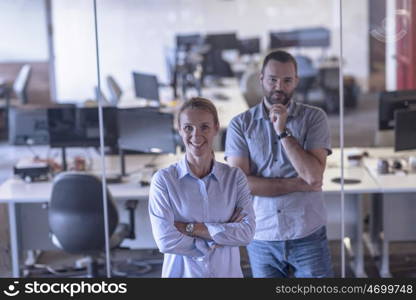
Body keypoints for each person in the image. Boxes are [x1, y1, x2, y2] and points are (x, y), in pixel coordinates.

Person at [225, 50, 333, 278]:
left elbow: (313, 177)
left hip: (306, 231)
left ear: (296, 81)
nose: (279, 87)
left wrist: (282, 132)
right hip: (262, 234)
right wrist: (298, 183)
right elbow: (240, 183)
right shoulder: (240, 124)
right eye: (273, 79)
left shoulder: (314, 118)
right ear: (261, 79)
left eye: (287, 80)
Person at [149, 97, 255, 278]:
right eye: (188, 128)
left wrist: (189, 228)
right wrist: (221, 234)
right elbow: (166, 241)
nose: (196, 136)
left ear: (216, 128)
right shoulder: (164, 180)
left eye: (204, 127)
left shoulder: (234, 178)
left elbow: (246, 234)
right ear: (179, 130)